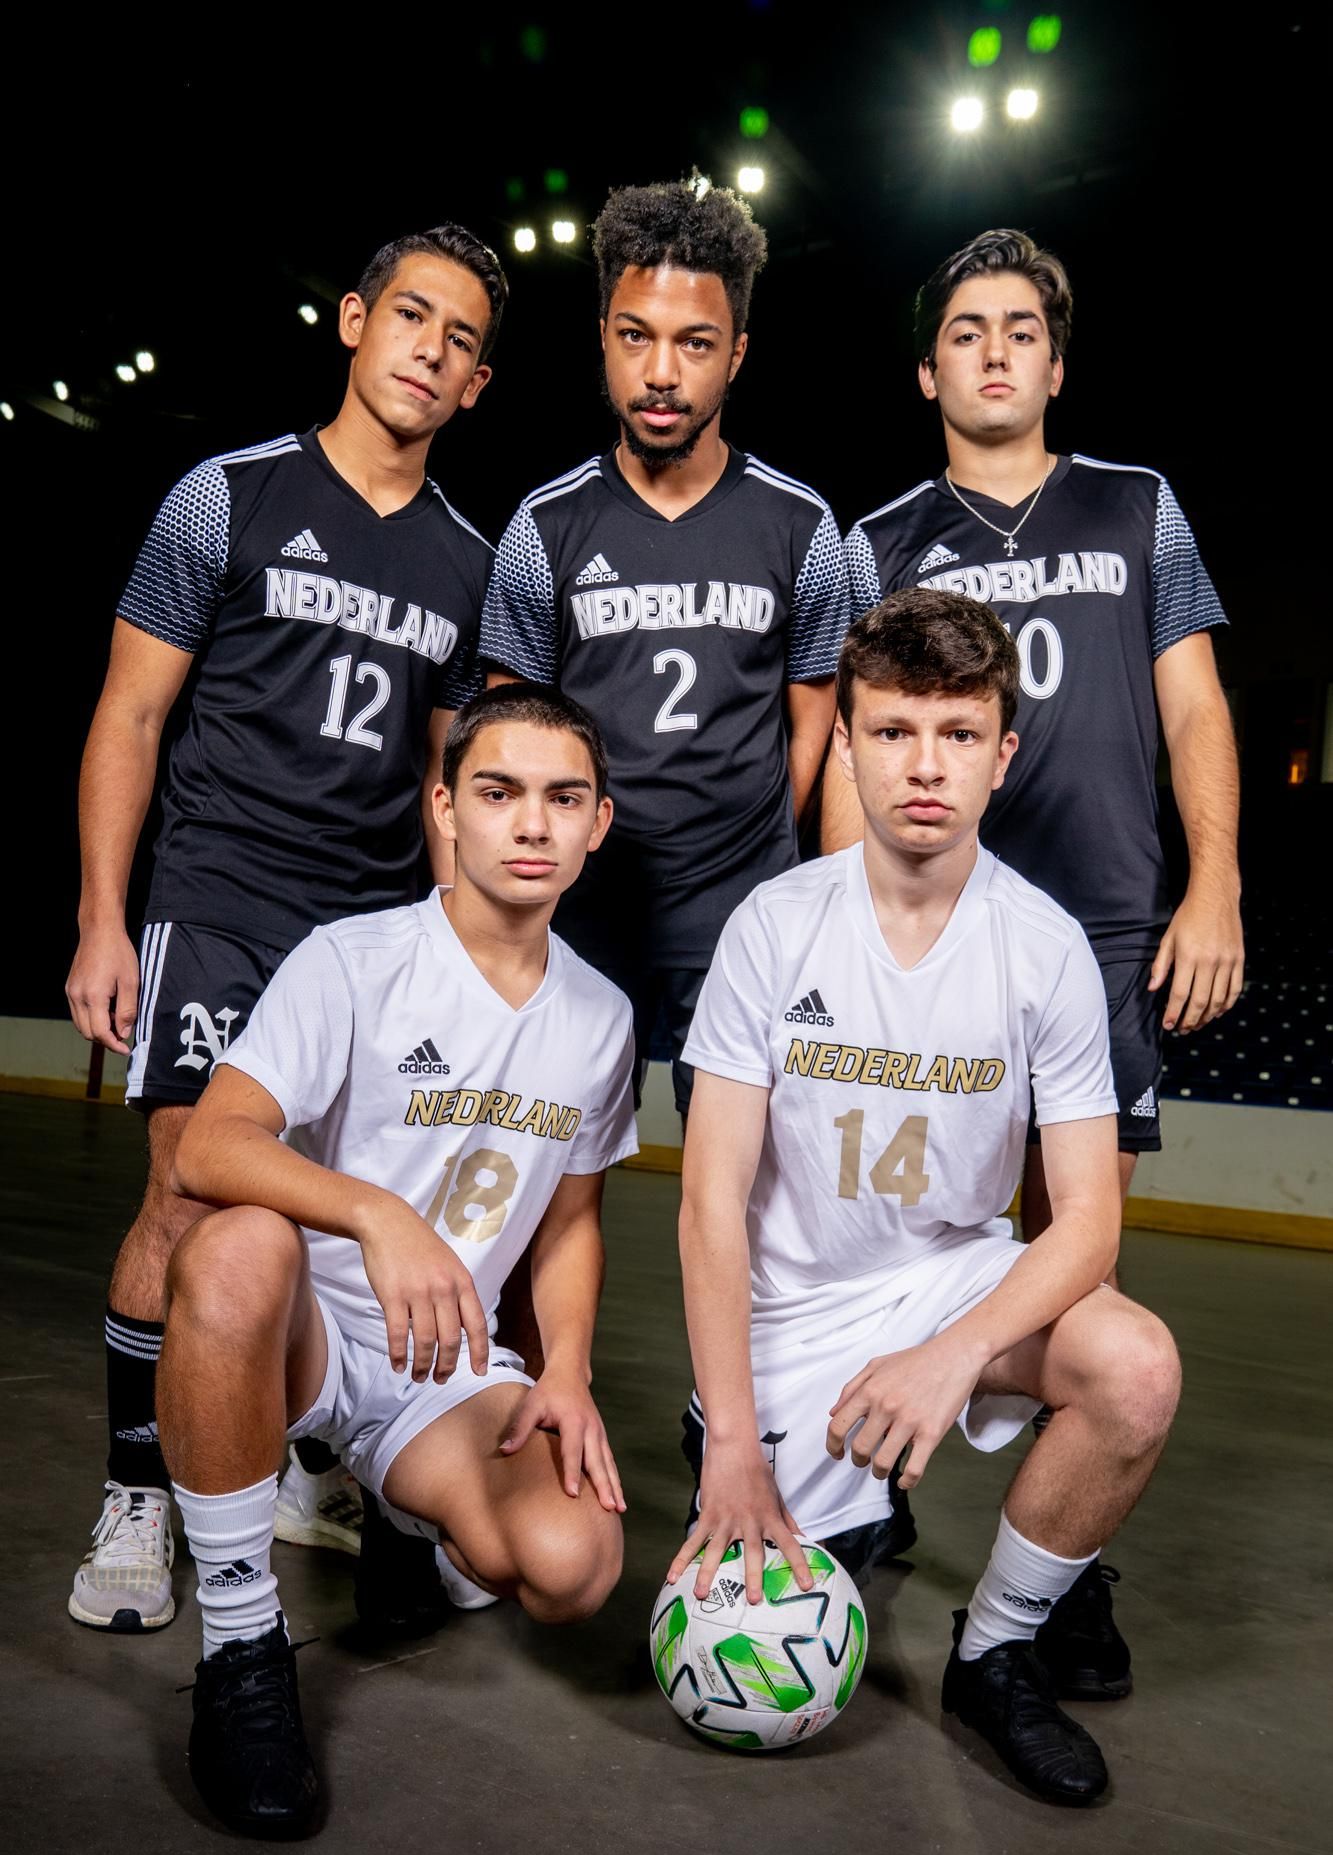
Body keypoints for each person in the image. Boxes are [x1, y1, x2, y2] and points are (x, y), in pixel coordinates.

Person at [64, 223, 507, 1636]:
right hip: (223, 901)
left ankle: (294, 1457)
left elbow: (449, 787)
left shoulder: (471, 562)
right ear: (354, 320)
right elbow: (131, 713)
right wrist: (103, 918)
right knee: (192, 1197)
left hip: (365, 938)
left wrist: (456, 956)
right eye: (411, 315)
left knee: (328, 1218)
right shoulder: (226, 497)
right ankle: (138, 1494)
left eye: (461, 339)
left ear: (477, 384)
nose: (430, 349)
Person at [671, 592, 1181, 1804]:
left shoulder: (1045, 946)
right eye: (893, 731)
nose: (924, 764)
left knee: (1136, 1367)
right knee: (748, 1646)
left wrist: (954, 1352)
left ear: (1003, 755)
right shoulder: (773, 926)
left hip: (952, 1280)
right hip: (793, 1309)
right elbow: (708, 1203)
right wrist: (734, 1440)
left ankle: (996, 1651)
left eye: (958, 734)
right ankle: (791, 1463)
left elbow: (1087, 1221)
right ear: (845, 744)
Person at [157, 684, 636, 1835]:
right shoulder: (354, 959)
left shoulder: (602, 1014)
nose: (531, 823)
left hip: (442, 1359)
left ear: (598, 823)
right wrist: (376, 1213)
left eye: (562, 797)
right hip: (304, 1328)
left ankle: (398, 1510)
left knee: (570, 1567)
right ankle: (241, 1646)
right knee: (235, 1246)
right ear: (445, 807)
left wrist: (566, 1371)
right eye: (498, 792)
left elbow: (569, 1223)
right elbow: (210, 1146)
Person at [824, 228, 1242, 1249]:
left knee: (1074, 1250)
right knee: (913, 1238)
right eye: (966, 333)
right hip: (938, 923)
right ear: (928, 373)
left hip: (1107, 923)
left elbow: (1195, 707)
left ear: (1055, 367)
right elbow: (851, 746)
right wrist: (853, 929)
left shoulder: (1137, 505)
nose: (995, 352)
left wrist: (1216, 884)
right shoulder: (876, 542)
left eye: (1021, 332)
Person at [478, 178, 848, 1116]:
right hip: (579, 902)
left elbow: (816, 716)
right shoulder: (543, 525)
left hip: (739, 911)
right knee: (544, 1161)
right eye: (635, 336)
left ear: (738, 354)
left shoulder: (802, 525)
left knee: (740, 1175)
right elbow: (507, 732)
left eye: (696, 343)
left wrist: (752, 845)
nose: (661, 373)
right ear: (602, 337)